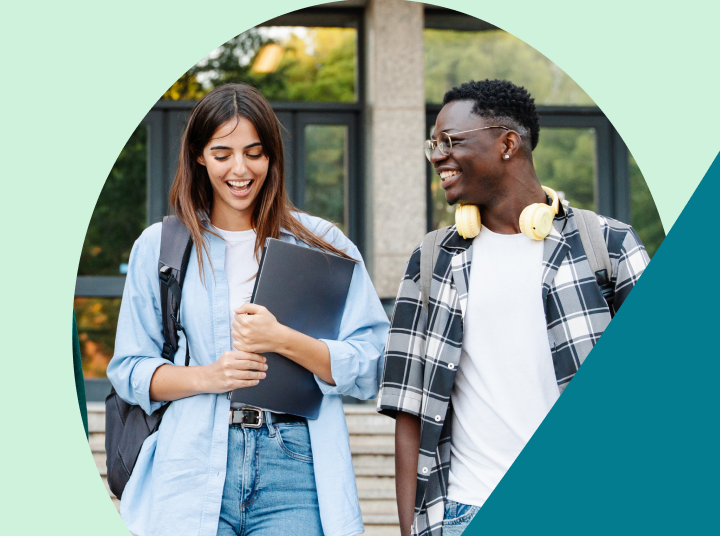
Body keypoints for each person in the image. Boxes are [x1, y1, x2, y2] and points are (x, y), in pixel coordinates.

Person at [107, 83, 389, 536]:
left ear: (272, 156)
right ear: (199, 155)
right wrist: (210, 376)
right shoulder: (160, 246)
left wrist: (285, 341)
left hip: (295, 466)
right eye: (223, 154)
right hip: (190, 462)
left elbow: (374, 362)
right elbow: (130, 370)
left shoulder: (322, 244)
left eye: (254, 153)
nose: (240, 169)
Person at [377, 79, 649, 536]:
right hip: (466, 512)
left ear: (507, 144)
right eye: (433, 144)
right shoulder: (430, 260)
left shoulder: (608, 244)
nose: (437, 155)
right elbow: (408, 410)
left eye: (451, 141)